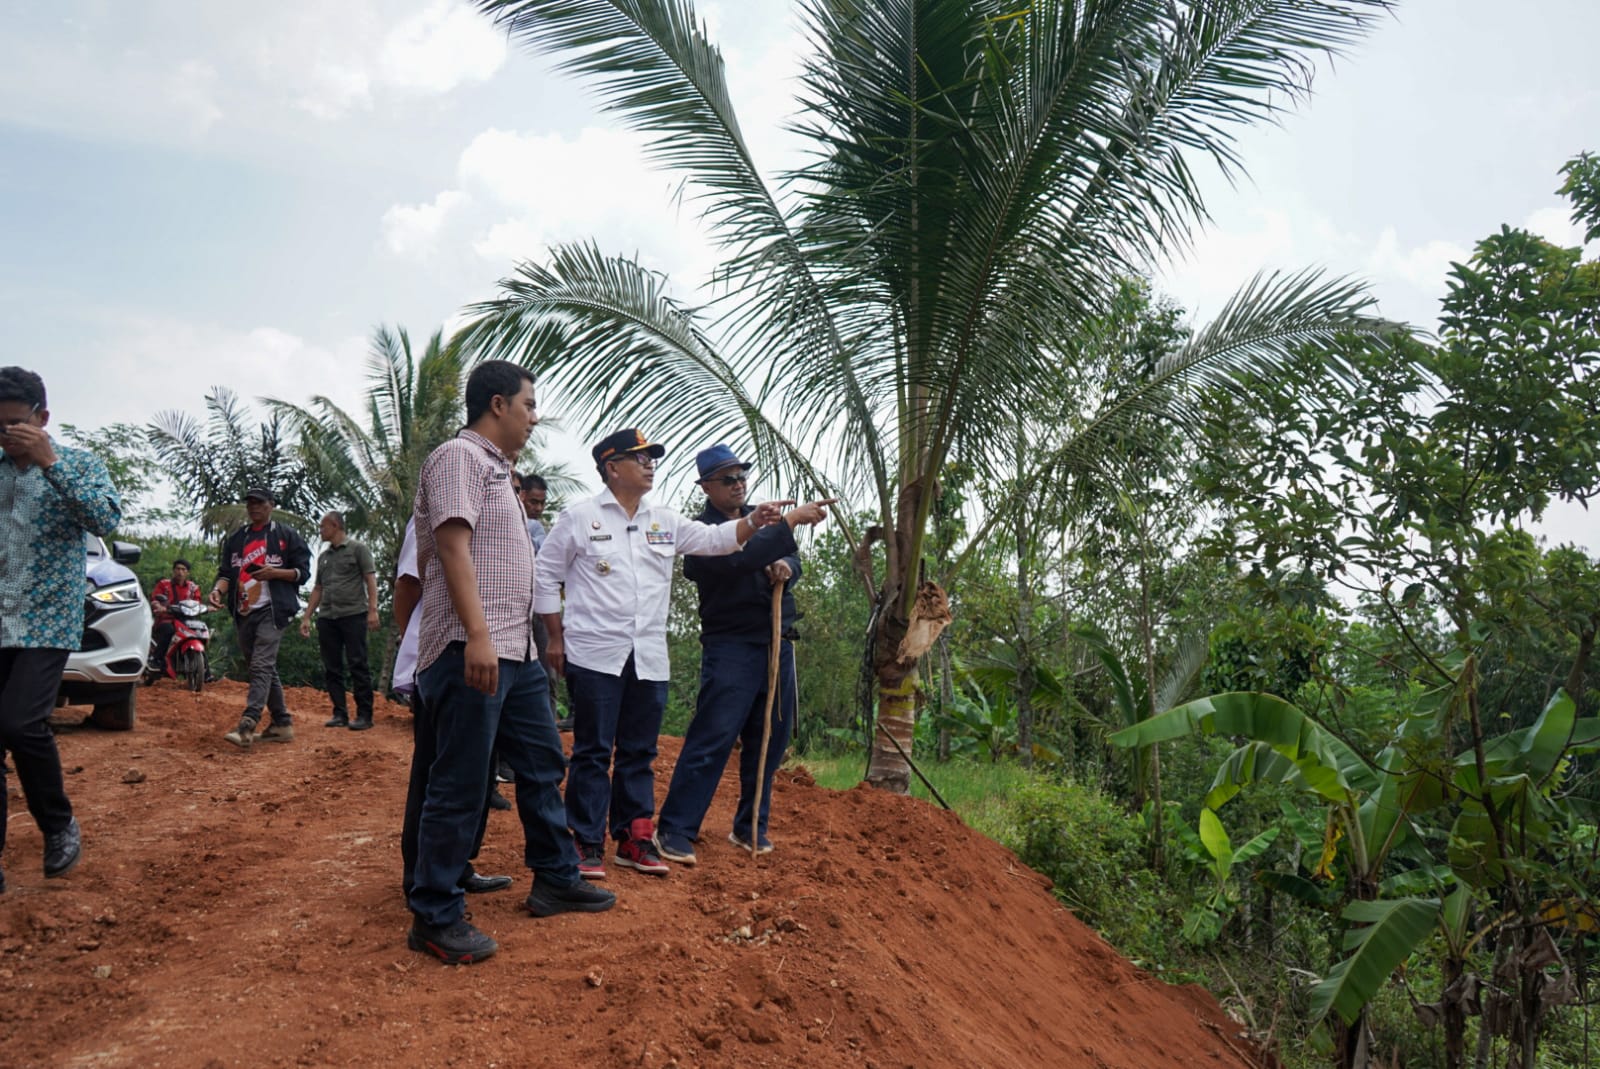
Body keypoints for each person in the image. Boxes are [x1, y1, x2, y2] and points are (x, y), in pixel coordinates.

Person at [408, 359, 614, 965]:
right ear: (497, 404)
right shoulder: (458, 458)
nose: (534, 415)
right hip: (472, 648)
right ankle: (435, 913)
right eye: (529, 404)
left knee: (543, 762)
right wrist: (475, 633)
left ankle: (554, 875)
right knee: (461, 780)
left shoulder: (504, 472)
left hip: (517, 653)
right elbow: (451, 544)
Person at [535, 429, 800, 880]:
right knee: (594, 751)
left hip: (649, 656)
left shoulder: (665, 520)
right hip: (596, 652)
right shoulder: (579, 519)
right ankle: (585, 840)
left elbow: (716, 541)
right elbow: (544, 577)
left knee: (639, 752)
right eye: (639, 458)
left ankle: (634, 837)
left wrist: (756, 523)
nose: (650, 463)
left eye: (652, 456)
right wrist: (555, 639)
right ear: (612, 467)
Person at [655, 445, 832, 864]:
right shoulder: (699, 529)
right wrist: (786, 525)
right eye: (727, 480)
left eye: (741, 477)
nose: (738, 485)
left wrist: (786, 565)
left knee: (770, 737)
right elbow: (738, 559)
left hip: (777, 641)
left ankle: (751, 826)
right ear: (706, 487)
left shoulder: (763, 517)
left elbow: (788, 554)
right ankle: (676, 828)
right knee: (714, 735)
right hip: (731, 645)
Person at [0, 366, 120, 893]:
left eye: (14, 424)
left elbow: (105, 519)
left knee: (20, 724)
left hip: (45, 621)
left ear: (42, 418)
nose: (6, 436)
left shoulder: (77, 464)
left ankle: (57, 824)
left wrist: (51, 465)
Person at [393, 517, 515, 902]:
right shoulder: (435, 518)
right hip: (443, 655)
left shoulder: (493, 523)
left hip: (494, 658)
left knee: (479, 769)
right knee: (436, 768)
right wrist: (415, 645)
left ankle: (457, 865)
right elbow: (408, 585)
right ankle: (420, 872)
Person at [209, 488, 312, 749]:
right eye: (250, 503)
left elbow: (303, 573)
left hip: (274, 609)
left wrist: (275, 573)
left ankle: (248, 722)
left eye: (259, 503)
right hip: (243, 610)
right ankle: (282, 723)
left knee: (261, 665)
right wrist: (217, 592)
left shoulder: (286, 535)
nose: (253, 507)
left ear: (271, 505)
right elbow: (225, 573)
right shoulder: (237, 539)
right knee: (262, 667)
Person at [299, 512, 379, 730]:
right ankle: (339, 713)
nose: (320, 531)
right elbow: (318, 588)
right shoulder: (324, 557)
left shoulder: (358, 549)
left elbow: (370, 579)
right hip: (327, 617)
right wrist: (307, 617)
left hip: (353, 615)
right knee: (332, 667)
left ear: (335, 525)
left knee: (357, 664)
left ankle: (364, 715)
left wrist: (373, 610)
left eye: (323, 527)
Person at [519, 472, 565, 729]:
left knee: (548, 675)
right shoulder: (529, 528)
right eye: (533, 502)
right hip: (521, 609)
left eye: (541, 503)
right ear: (521, 496)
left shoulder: (538, 529)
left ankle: (548, 739)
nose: (537, 508)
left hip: (540, 608)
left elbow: (548, 566)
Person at [148, 558, 202, 675]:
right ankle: (156, 660)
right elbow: (155, 599)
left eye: (183, 569)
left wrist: (207, 608)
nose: (180, 572)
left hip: (186, 620)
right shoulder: (164, 584)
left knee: (198, 633)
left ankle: (205, 672)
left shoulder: (193, 588)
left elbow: (198, 603)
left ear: (188, 572)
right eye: (178, 569)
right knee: (168, 631)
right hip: (166, 619)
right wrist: (159, 606)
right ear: (173, 570)